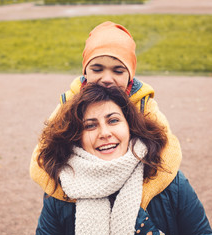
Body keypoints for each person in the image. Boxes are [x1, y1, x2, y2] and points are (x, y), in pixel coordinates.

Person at [30, 21, 182, 213]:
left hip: (131, 195)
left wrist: (136, 201)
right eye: (97, 69)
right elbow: (39, 161)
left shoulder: (143, 104)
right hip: (85, 195)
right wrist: (76, 197)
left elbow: (170, 154)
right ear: (85, 71)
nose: (107, 78)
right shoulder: (70, 102)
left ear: (130, 75)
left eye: (118, 70)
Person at [34, 84, 212, 235]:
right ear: (77, 137)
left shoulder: (171, 182)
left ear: (130, 127)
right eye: (90, 125)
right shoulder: (61, 189)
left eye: (113, 120)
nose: (104, 133)